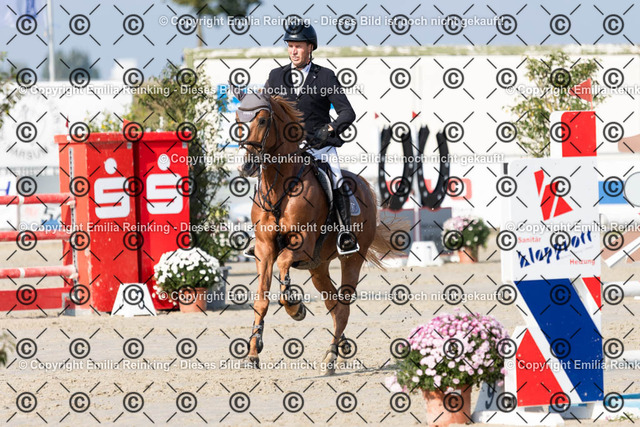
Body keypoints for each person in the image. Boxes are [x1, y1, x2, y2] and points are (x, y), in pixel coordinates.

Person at [244, 22, 359, 257]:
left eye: (298, 46)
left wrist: (330, 128)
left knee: (337, 179)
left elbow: (348, 113)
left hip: (319, 147)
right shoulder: (276, 76)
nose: (293, 51)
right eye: (290, 46)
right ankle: (260, 237)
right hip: (286, 150)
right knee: (263, 179)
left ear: (310, 48)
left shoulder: (325, 76)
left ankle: (345, 234)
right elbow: (263, 107)